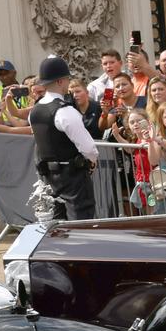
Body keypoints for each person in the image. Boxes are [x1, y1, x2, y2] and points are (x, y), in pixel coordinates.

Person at [29, 57, 98, 220]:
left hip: (48, 177)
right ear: (60, 81)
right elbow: (88, 148)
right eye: (67, 79)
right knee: (81, 223)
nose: (68, 82)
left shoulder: (35, 111)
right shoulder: (65, 111)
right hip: (72, 177)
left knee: (57, 226)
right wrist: (92, 161)